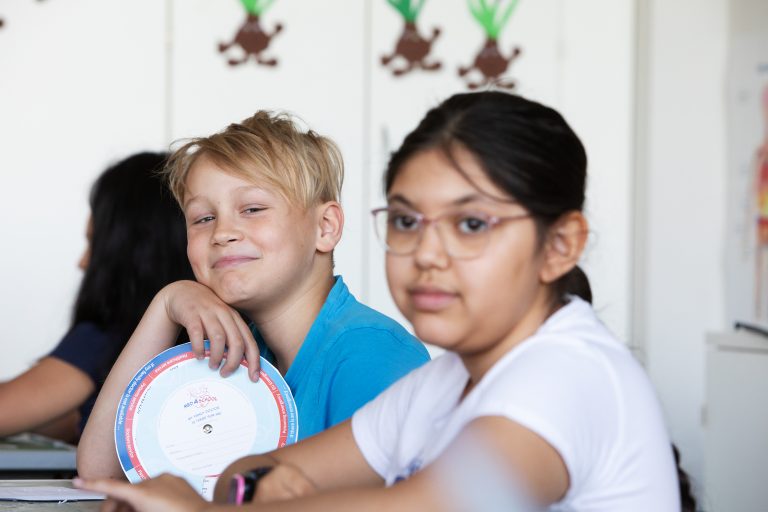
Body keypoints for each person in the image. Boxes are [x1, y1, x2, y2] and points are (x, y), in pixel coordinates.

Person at [76, 92, 691, 511]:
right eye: (406, 221)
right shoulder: (440, 386)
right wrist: (262, 488)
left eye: (471, 224)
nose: (427, 253)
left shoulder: (566, 375)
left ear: (560, 245)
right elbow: (248, 474)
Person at [77, 111, 430, 479]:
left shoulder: (372, 353)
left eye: (253, 209)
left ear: (325, 227)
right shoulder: (235, 352)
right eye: (203, 218)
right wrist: (167, 303)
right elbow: (101, 472)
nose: (222, 233)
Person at [0, 152, 193, 444]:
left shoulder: (104, 337)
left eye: (94, 243)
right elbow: (72, 420)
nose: (82, 262)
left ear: (129, 250)